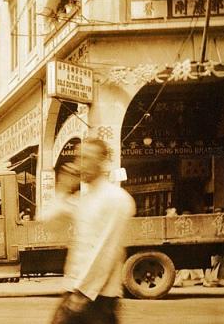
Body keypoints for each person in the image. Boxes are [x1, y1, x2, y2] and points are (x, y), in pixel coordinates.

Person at [38, 138, 135, 324]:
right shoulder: (84, 198)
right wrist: (63, 188)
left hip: (97, 295)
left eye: (87, 157)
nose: (80, 164)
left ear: (102, 160)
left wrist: (83, 293)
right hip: (76, 288)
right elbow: (46, 221)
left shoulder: (116, 199)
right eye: (78, 157)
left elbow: (106, 250)